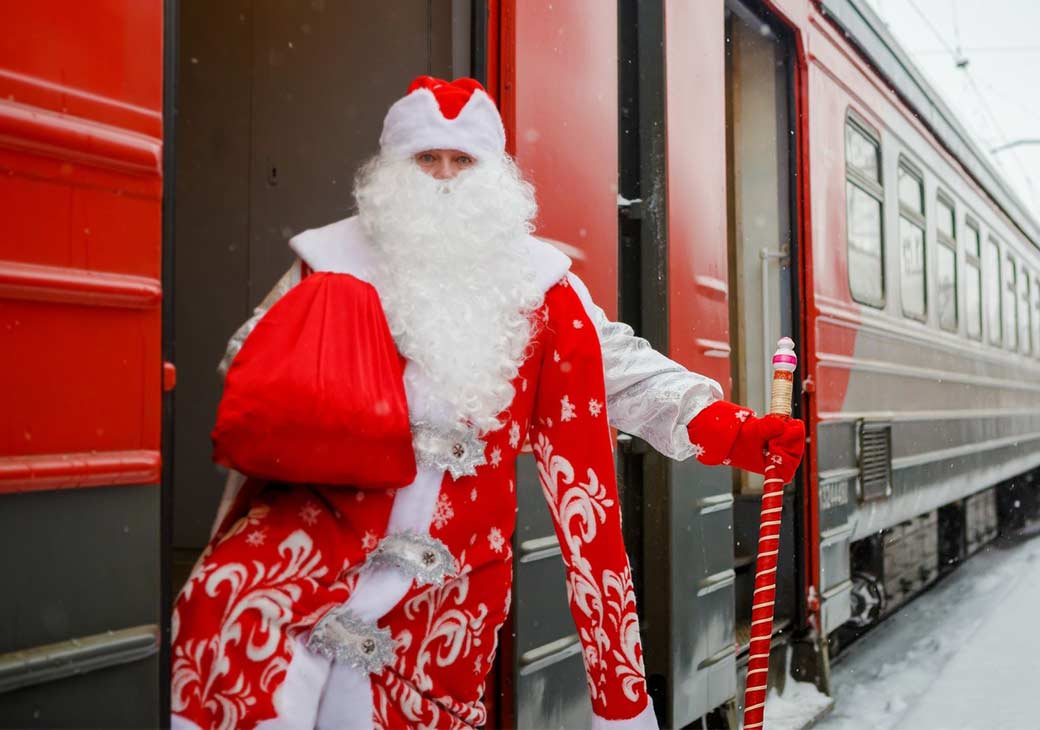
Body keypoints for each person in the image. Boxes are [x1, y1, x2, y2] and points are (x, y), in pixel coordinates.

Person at [170, 76, 805, 730]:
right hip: (315, 537)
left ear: (491, 173)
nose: (444, 178)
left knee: (398, 712)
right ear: (393, 169)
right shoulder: (330, 263)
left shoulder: (539, 285)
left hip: (449, 575)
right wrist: (315, 374)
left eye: (461, 160)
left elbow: (622, 371)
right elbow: (248, 360)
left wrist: (730, 431)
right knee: (229, 625)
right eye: (426, 159)